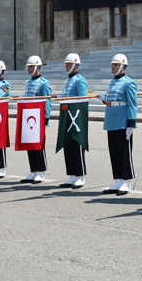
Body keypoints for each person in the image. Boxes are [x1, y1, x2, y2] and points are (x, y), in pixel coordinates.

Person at [100, 54, 137, 195]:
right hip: (111, 122)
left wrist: (131, 124)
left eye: (115, 65)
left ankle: (126, 181)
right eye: (112, 64)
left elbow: (132, 104)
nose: (113, 67)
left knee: (125, 153)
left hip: (122, 122)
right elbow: (112, 100)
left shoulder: (129, 83)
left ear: (123, 67)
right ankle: (117, 179)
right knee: (114, 152)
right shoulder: (111, 82)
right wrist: (104, 99)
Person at [59, 53, 88, 189]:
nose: (66, 66)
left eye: (69, 64)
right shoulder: (68, 81)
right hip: (67, 116)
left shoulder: (80, 80)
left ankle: (80, 176)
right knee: (68, 146)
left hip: (76, 118)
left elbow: (83, 99)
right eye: (66, 64)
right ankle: (72, 174)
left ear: (76, 65)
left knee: (77, 146)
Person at [22, 56, 52, 184]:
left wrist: (46, 117)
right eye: (28, 66)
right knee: (30, 144)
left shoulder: (44, 83)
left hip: (39, 117)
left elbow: (47, 101)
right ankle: (33, 170)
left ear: (37, 67)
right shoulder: (28, 82)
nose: (28, 69)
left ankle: (41, 171)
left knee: (39, 145)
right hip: (29, 117)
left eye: (30, 66)